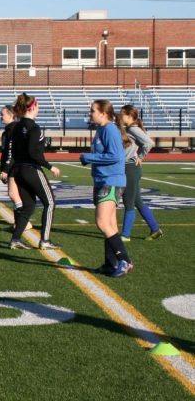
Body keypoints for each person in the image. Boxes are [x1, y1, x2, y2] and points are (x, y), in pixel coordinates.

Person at [80, 99, 132, 278]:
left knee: (102, 222)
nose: (90, 114)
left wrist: (89, 157)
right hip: (103, 180)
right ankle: (111, 264)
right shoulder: (102, 129)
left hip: (111, 180)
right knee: (111, 225)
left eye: (93, 111)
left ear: (103, 113)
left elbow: (115, 156)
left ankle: (124, 260)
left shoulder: (109, 129)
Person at [6, 93, 60, 250]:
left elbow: (14, 151)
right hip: (31, 169)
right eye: (38, 105)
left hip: (19, 170)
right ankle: (45, 240)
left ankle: (15, 239)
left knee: (28, 206)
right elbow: (34, 154)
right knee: (50, 202)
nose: (39, 108)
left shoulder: (16, 127)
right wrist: (50, 166)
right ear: (33, 107)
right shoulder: (34, 128)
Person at [118, 105, 162, 242]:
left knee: (128, 202)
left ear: (129, 116)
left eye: (122, 114)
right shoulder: (130, 129)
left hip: (130, 168)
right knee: (138, 202)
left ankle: (125, 235)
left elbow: (149, 143)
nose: (120, 116)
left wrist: (141, 157)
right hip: (129, 168)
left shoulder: (133, 128)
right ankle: (155, 229)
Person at [0, 104, 30, 232]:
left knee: (13, 194)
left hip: (16, 165)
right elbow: (5, 152)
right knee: (16, 195)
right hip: (14, 165)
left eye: (3, 114)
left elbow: (11, 151)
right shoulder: (7, 130)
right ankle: (19, 223)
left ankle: (24, 222)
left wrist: (6, 169)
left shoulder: (13, 129)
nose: (1, 117)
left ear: (11, 115)